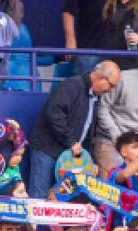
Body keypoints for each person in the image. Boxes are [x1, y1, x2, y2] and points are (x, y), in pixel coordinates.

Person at [28, 61, 122, 200]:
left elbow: (89, 131)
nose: (111, 90)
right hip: (47, 149)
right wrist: (70, 141)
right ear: (100, 77)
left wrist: (89, 161)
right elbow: (54, 114)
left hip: (69, 155)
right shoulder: (71, 86)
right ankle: (34, 223)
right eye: (111, 85)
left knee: (63, 200)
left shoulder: (96, 96)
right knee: (39, 197)